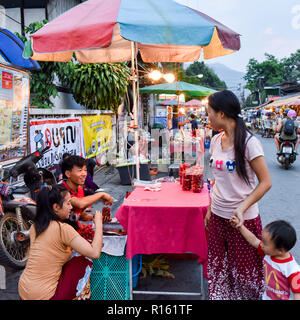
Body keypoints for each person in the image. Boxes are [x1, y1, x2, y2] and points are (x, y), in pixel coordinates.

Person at [204, 90, 272, 300]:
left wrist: (242, 207)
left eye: (210, 113)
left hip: (243, 221)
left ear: (222, 114)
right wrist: (210, 208)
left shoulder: (250, 143)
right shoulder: (216, 140)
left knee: (245, 272)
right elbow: (218, 180)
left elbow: (266, 182)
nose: (208, 118)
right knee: (219, 267)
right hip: (217, 218)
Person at [18, 184, 103, 300]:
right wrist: (98, 223)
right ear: (56, 207)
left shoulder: (35, 227)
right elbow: (94, 253)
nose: (71, 207)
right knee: (83, 260)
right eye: (68, 203)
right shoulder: (62, 229)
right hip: (44, 296)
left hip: (23, 291)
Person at [230, 218, 300, 300]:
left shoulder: (292, 270)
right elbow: (254, 240)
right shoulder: (269, 253)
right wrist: (240, 226)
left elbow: (297, 293)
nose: (261, 245)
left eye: (265, 243)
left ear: (280, 250)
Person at [61, 155, 113, 226]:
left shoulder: (79, 189)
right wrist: (101, 194)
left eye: (85, 170)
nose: (84, 174)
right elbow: (80, 204)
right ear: (68, 174)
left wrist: (97, 218)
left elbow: (80, 214)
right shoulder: (61, 191)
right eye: (80, 171)